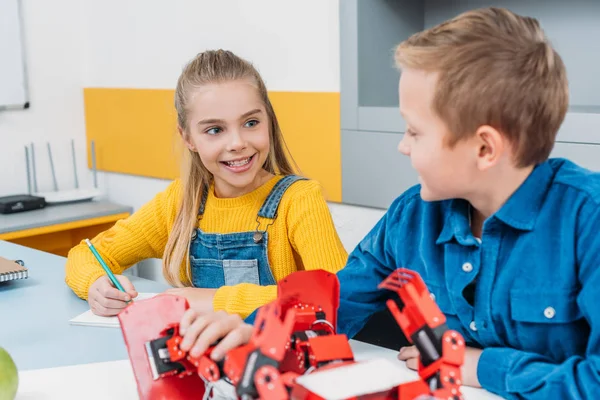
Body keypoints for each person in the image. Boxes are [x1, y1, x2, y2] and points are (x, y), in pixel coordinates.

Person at [173, 7, 600, 399]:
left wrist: (479, 366)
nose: (402, 145)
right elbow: (336, 302)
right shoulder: (412, 216)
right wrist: (256, 331)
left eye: (415, 132)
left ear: (484, 148)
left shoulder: (588, 221)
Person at [64, 49, 348, 320]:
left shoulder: (298, 200)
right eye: (215, 130)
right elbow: (85, 255)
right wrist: (96, 284)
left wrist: (214, 301)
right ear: (188, 137)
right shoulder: (180, 202)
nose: (237, 143)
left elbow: (337, 296)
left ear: (269, 122)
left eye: (251, 123)